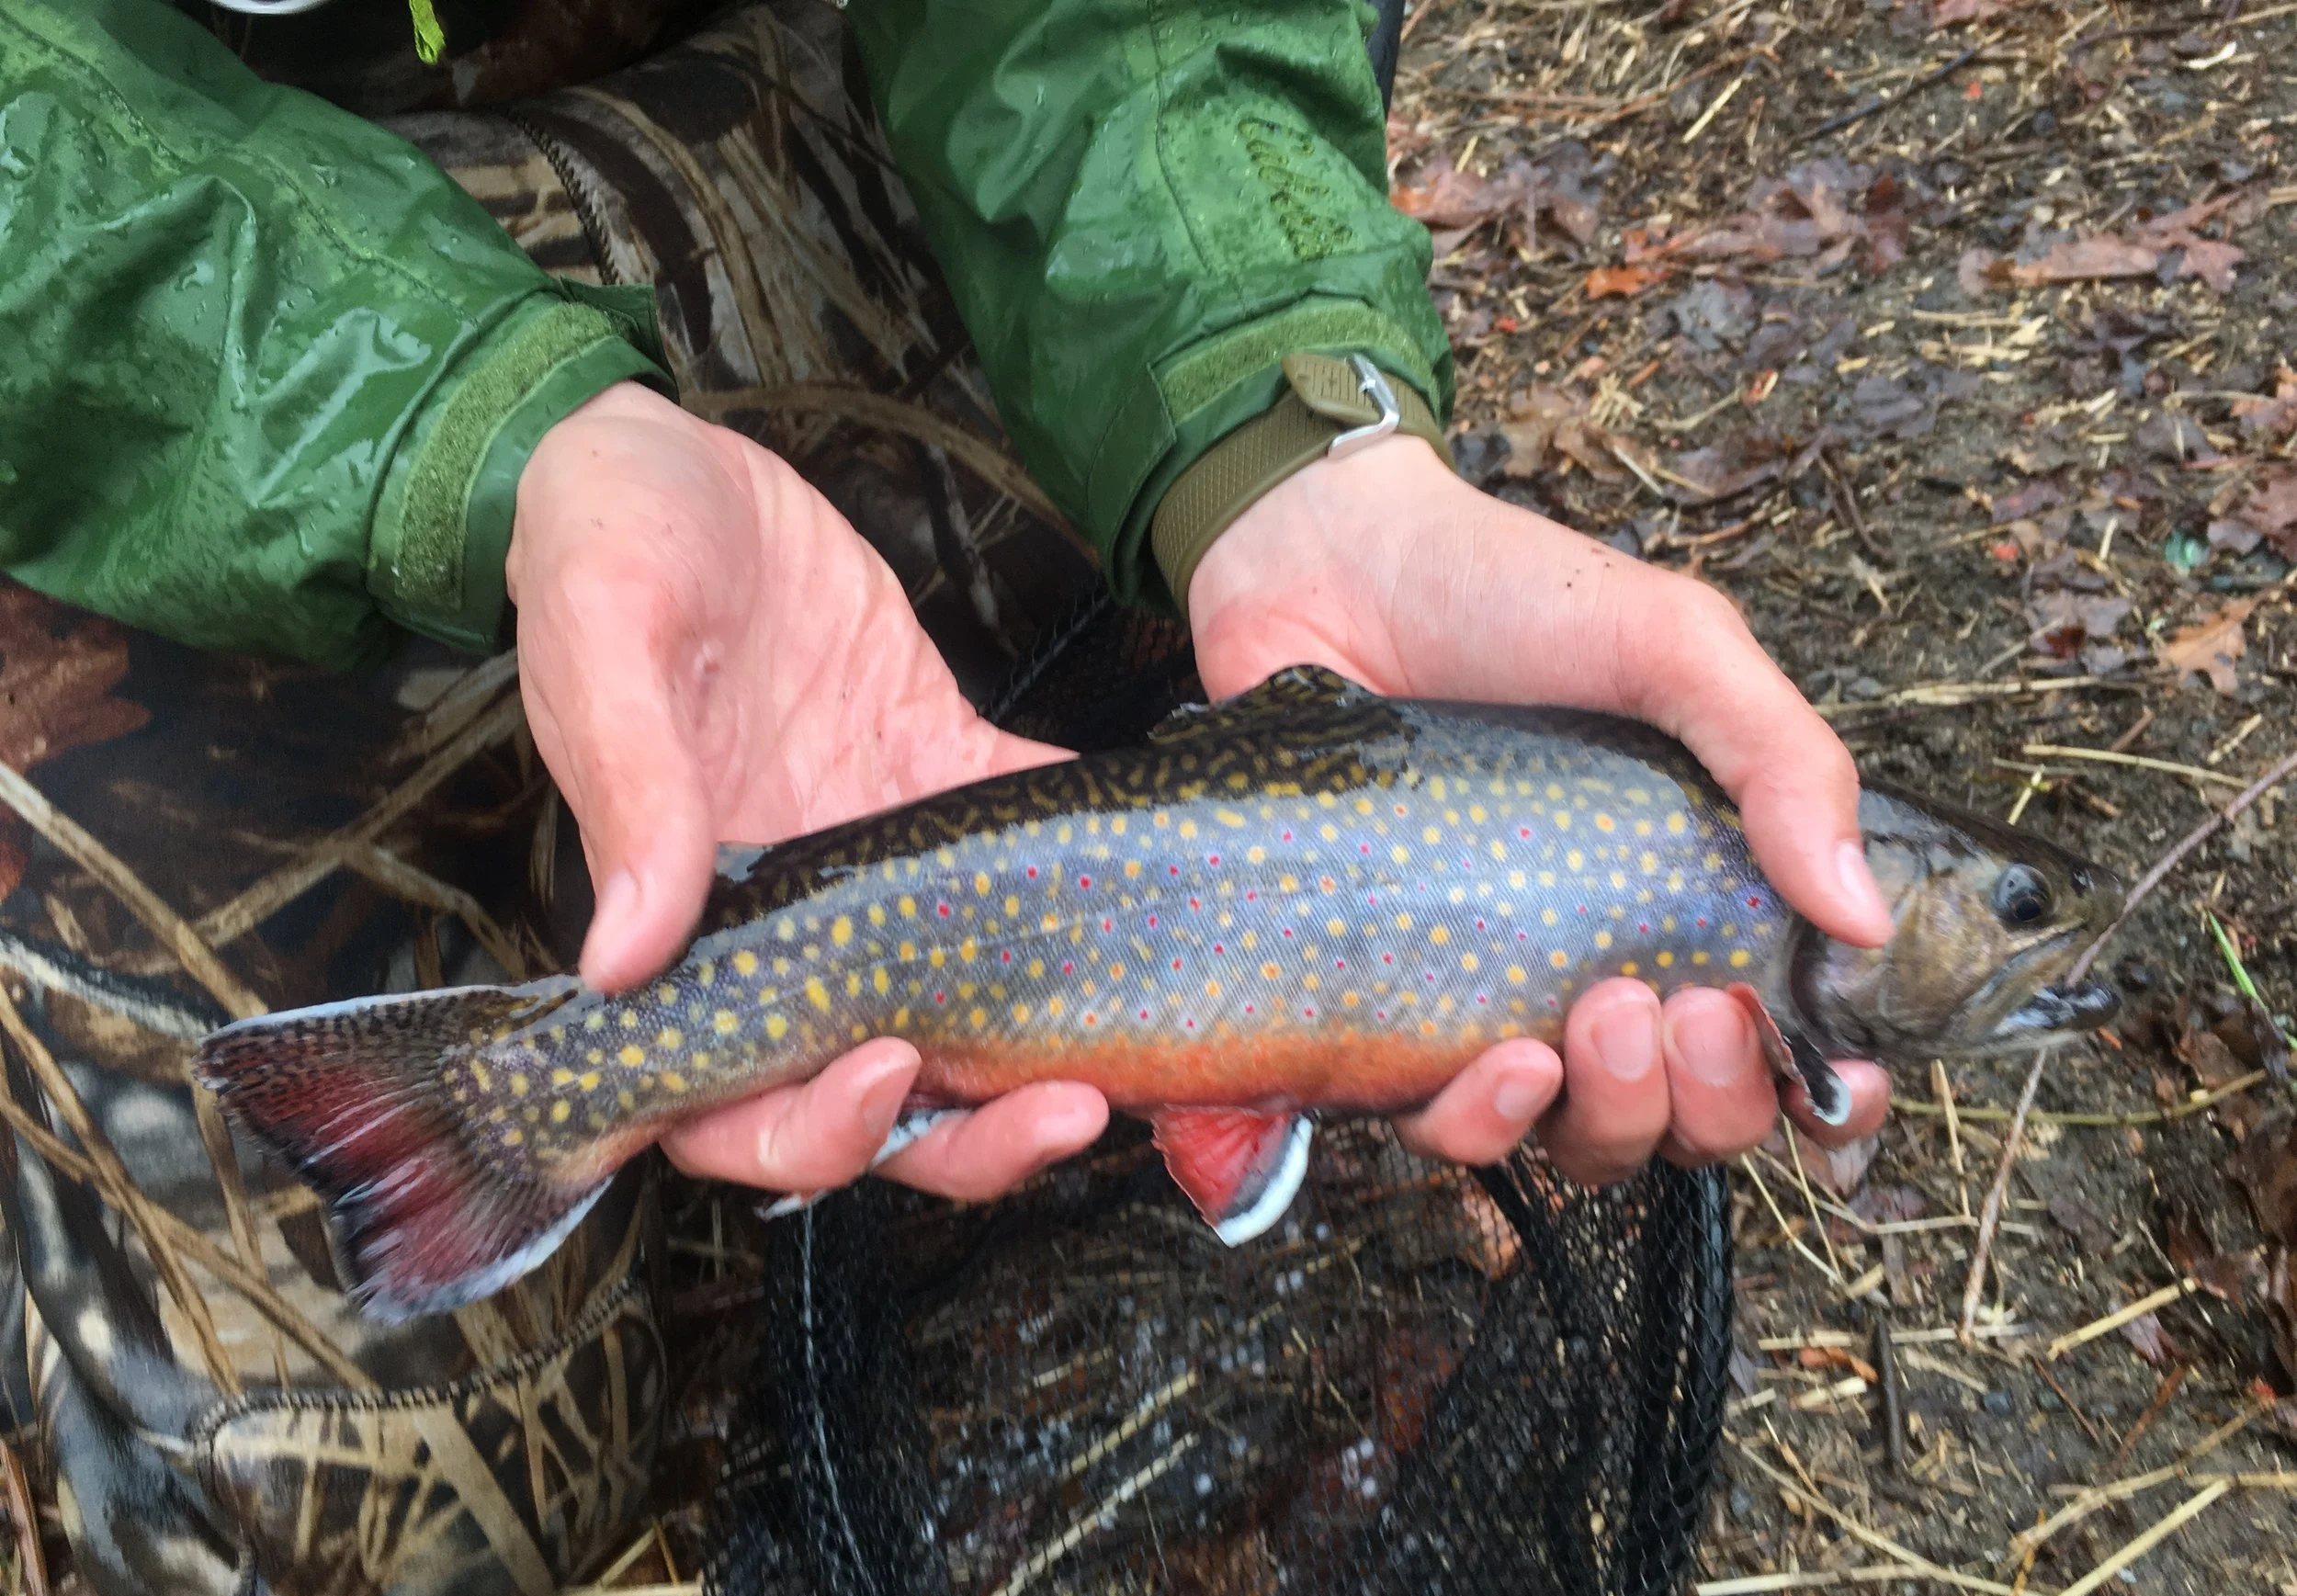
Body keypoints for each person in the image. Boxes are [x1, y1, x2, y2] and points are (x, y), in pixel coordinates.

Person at [4, 0, 1888, 1252]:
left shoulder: (1733, 870)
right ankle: (526, 1070)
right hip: (151, 251)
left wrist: (1282, 435)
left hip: (827, 73)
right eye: (2010, 912)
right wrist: (481, 436)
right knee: (300, 1528)